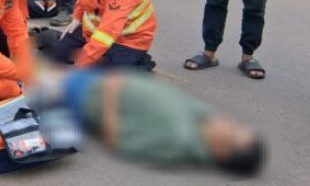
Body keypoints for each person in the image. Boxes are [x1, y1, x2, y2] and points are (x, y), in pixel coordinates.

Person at [38, 68, 265, 175]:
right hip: (96, 81)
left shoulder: (175, 139)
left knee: (30, 76)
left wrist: (111, 90)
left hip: (86, 94)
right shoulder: (200, 122)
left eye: (233, 132)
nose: (230, 123)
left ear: (223, 152)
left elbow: (115, 137)